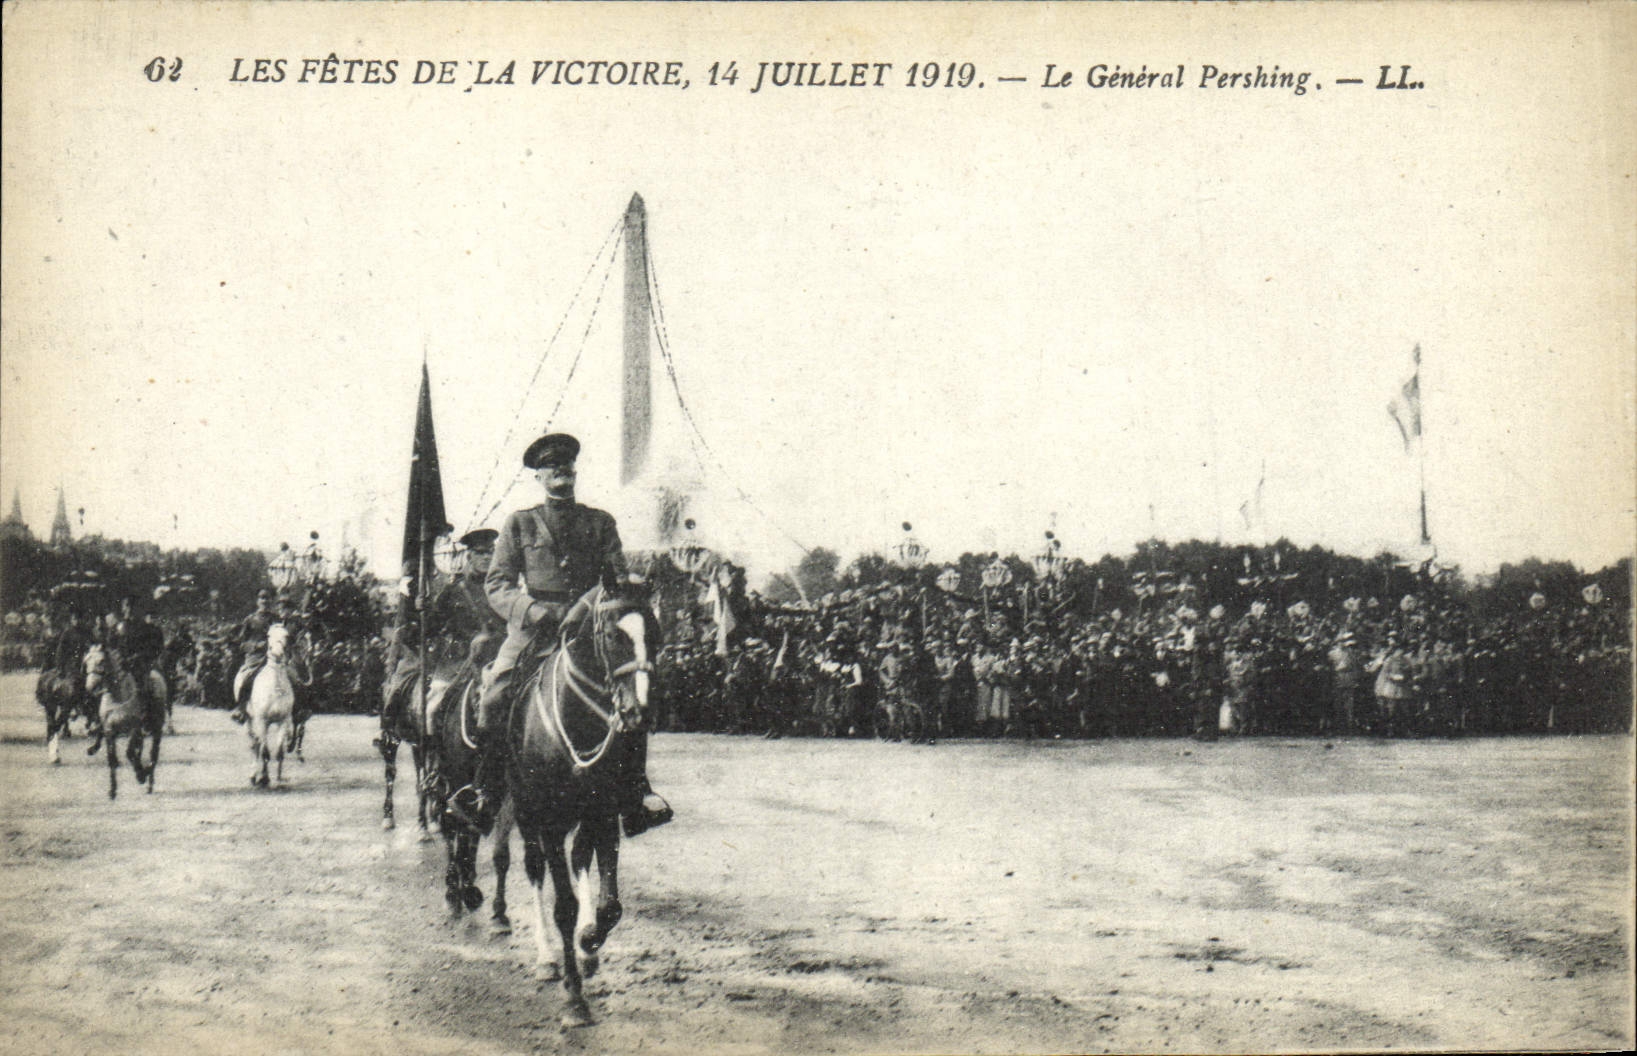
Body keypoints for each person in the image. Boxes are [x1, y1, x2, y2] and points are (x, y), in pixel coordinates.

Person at [449, 432, 672, 836]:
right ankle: (485, 791)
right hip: (534, 631)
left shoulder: (599, 522)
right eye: (552, 468)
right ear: (539, 476)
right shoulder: (520, 523)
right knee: (497, 690)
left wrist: (586, 608)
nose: (561, 473)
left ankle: (636, 793)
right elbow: (497, 584)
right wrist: (534, 611)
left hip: (589, 630)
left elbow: (617, 579)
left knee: (633, 691)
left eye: (567, 467)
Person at [381, 528, 506, 733]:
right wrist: (420, 611)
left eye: (490, 552)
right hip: (460, 661)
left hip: (498, 657)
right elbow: (429, 628)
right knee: (432, 707)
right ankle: (435, 759)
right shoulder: (454, 591)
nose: (486, 557)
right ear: (469, 556)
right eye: (480, 552)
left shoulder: (504, 588)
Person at [228, 589, 281, 723]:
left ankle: (297, 708)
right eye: (262, 598)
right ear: (257, 601)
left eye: (267, 598)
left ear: (272, 600)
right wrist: (257, 646)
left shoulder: (277, 619)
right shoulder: (250, 620)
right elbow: (242, 642)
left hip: (276, 655)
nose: (265, 601)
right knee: (247, 677)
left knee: (294, 674)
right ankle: (241, 708)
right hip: (256, 657)